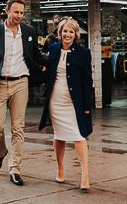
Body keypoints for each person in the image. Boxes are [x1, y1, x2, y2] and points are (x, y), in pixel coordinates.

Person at [0, 0, 46, 187]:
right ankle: (0, 153)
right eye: (15, 12)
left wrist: (54, 59)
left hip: (20, 84)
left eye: (21, 13)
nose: (18, 16)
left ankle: (15, 169)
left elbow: (36, 55)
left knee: (18, 128)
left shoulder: (29, 31)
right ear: (7, 11)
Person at [39, 17, 93, 192]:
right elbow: (46, 67)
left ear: (75, 34)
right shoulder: (53, 49)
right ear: (59, 33)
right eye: (64, 31)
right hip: (56, 99)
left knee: (79, 136)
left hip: (74, 102)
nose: (67, 34)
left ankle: (85, 175)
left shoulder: (83, 52)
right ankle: (60, 168)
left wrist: (87, 105)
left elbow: (87, 80)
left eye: (71, 31)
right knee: (59, 135)